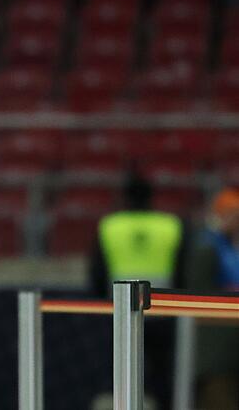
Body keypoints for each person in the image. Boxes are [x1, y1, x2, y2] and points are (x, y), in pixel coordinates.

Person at [89, 172, 188, 410]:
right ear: (151, 196)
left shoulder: (111, 226)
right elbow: (182, 271)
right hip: (161, 311)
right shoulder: (170, 225)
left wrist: (104, 303)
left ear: (125, 197)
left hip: (120, 311)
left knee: (120, 370)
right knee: (161, 374)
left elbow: (97, 272)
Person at [186, 187, 239, 410]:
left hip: (229, 350)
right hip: (216, 354)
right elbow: (200, 298)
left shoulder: (227, 246)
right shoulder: (206, 247)